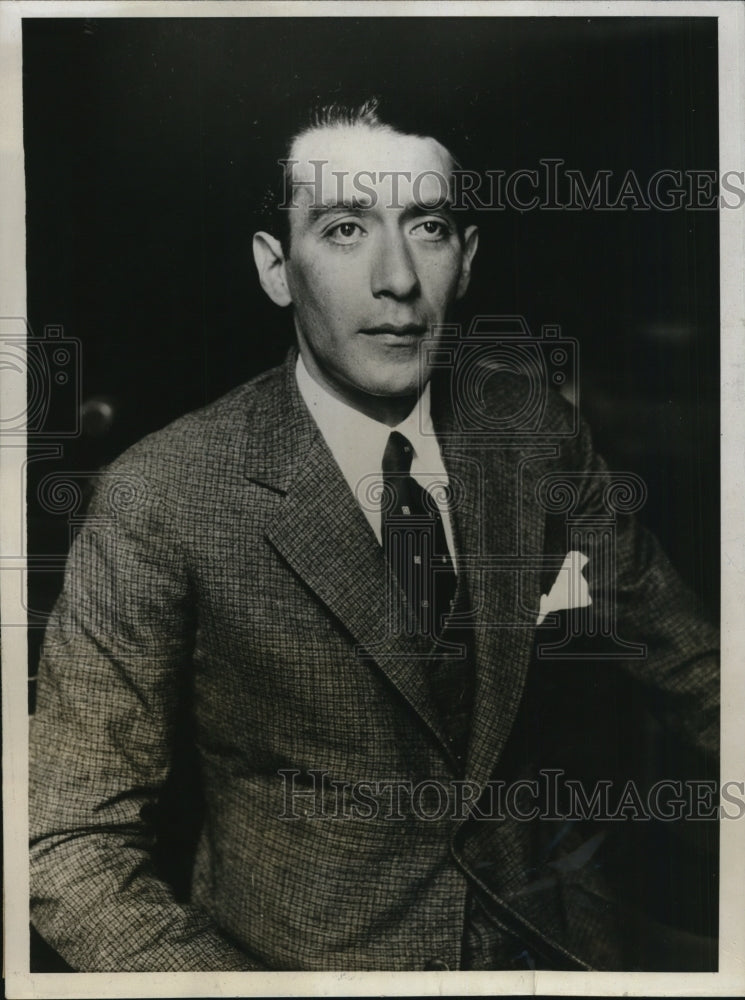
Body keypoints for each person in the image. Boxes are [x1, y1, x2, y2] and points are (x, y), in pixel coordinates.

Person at [29, 99, 719, 972]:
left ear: (464, 262)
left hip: (560, 951)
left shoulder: (531, 430)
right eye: (346, 228)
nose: (397, 279)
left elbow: (697, 672)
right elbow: (65, 840)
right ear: (276, 267)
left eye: (426, 227)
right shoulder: (160, 496)